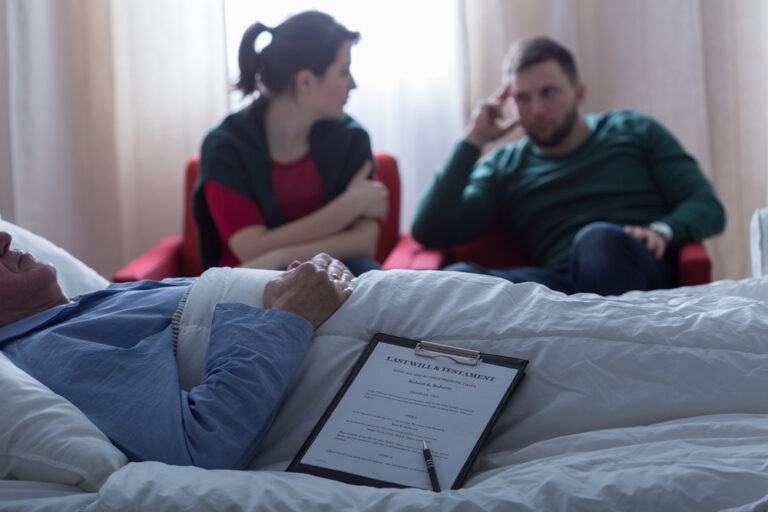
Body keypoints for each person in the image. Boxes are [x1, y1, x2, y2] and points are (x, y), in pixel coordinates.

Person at [0, 230, 353, 470]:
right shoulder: (53, 349)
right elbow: (201, 447)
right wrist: (287, 318)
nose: (4, 237)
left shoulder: (85, 307)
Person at [411, 36, 726, 295]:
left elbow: (706, 205)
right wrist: (474, 140)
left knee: (597, 241)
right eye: (523, 98)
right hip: (559, 286)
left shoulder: (633, 130)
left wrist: (661, 231)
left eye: (548, 93)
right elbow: (429, 230)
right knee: (457, 278)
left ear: (579, 94)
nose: (536, 109)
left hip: (635, 272)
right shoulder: (504, 166)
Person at [194, 10, 387, 277]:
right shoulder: (224, 147)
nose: (353, 84)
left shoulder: (352, 138)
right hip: (251, 281)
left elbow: (364, 242)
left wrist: (275, 255)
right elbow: (250, 250)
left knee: (365, 273)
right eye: (344, 71)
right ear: (306, 81)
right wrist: (350, 205)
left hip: (332, 273)